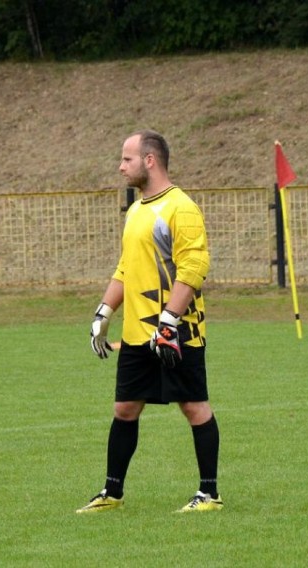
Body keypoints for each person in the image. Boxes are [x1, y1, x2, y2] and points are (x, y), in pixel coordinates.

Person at [76, 130, 222, 514]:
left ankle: (209, 494)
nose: (121, 166)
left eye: (127, 159)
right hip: (138, 331)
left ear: (150, 160)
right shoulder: (136, 209)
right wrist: (104, 314)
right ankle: (112, 493)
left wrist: (170, 319)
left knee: (194, 407)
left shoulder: (181, 207)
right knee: (125, 408)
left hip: (176, 330)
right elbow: (126, 268)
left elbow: (194, 267)